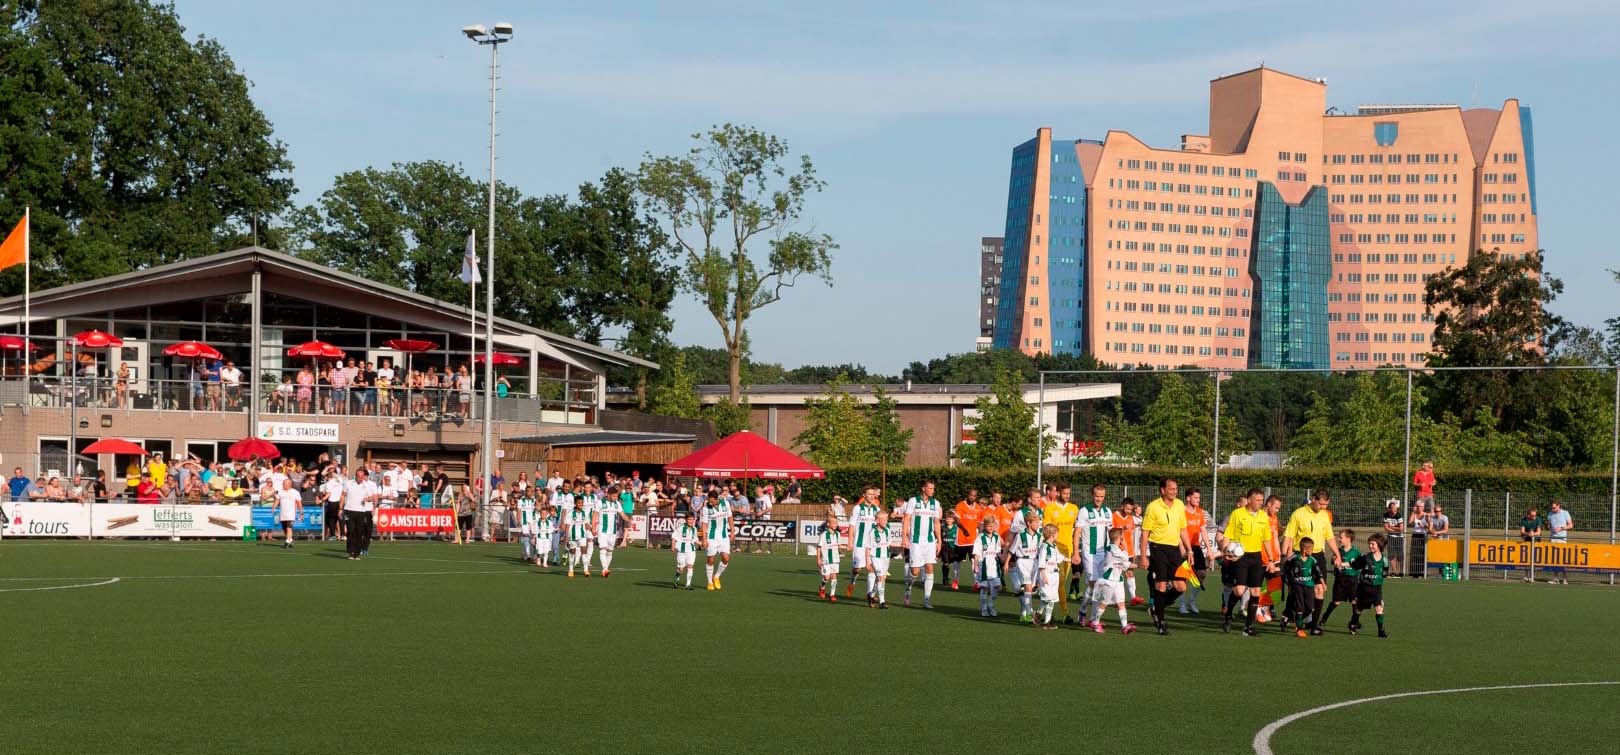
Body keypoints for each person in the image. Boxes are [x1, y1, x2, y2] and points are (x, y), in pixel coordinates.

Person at [1218, 488, 1276, 636]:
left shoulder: (1263, 516)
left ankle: (1248, 627)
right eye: (1258, 500)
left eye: (1262, 500)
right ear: (1249, 500)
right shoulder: (1237, 514)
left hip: (1256, 557)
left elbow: (1266, 539)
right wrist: (1225, 552)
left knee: (1255, 591)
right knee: (1239, 590)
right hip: (1240, 557)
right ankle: (1228, 615)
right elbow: (1228, 534)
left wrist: (1270, 559)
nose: (1260, 503)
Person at [1139, 478, 1191, 636]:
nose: (1174, 491)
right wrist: (1143, 556)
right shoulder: (1153, 507)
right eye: (1171, 489)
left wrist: (1189, 550)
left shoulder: (1180, 505)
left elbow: (1183, 529)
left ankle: (1156, 607)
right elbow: (1145, 533)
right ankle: (1161, 622)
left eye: (1176, 488)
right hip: (1158, 549)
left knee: (1181, 587)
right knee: (1161, 586)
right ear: (1162, 490)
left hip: (1174, 550)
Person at [1282, 489, 1337, 631]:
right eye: (1321, 504)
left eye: (1326, 505)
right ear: (1313, 499)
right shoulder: (1298, 513)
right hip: (1300, 556)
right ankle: (1288, 613)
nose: (1323, 508)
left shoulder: (1324, 515)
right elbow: (1288, 535)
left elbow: (1329, 537)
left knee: (1319, 590)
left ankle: (1313, 625)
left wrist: (1337, 554)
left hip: (1317, 556)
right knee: (1295, 590)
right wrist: (1284, 556)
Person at [897, 480, 943, 609]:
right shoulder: (913, 501)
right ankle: (908, 589)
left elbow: (936, 523)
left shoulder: (936, 503)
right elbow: (906, 519)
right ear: (923, 489)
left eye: (933, 488)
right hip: (916, 541)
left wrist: (939, 540)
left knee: (929, 568)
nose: (932, 490)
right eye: (930, 488)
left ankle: (927, 599)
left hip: (929, 541)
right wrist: (904, 536)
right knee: (915, 571)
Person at [1041, 483, 1080, 623]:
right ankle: (1062, 614)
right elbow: (1046, 529)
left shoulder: (1074, 509)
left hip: (1068, 551)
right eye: (1064, 493)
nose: (1067, 496)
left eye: (1069, 493)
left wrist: (1076, 551)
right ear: (1057, 493)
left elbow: (1077, 530)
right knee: (1056, 583)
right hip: (1053, 551)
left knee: (1060, 583)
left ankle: (1047, 613)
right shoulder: (1049, 508)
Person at [1087, 527, 1137, 635]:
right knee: (1104, 603)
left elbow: (1125, 562)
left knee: (1121, 603)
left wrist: (1124, 549)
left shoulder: (1118, 549)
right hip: (1108, 580)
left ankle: (1124, 626)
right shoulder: (1111, 548)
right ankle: (1095, 623)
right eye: (1122, 536)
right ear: (1119, 537)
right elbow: (1126, 561)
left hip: (1117, 580)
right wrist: (1141, 565)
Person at [1074, 484, 1113, 623]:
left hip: (1104, 554)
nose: (1099, 499)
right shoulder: (1084, 511)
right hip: (1089, 553)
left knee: (1100, 585)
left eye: (1102, 496)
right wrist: (1075, 553)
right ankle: (1084, 612)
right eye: (1097, 496)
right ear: (1092, 495)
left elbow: (1111, 532)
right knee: (1094, 583)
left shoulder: (1107, 511)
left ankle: (1093, 617)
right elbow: (1077, 532)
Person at [1282, 537, 1326, 637]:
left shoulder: (1312, 560)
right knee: (1300, 608)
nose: (1312, 551)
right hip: (1298, 587)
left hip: (1309, 586)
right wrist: (1289, 583)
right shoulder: (1294, 559)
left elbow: (1318, 572)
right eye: (1311, 549)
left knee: (1310, 608)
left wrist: (1322, 583)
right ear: (1305, 550)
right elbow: (1286, 570)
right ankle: (1299, 629)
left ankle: (1290, 619)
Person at [1349, 533, 1391, 637]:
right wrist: (1345, 563)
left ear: (1379, 545)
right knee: (1359, 609)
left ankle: (1381, 631)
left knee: (1379, 608)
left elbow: (1384, 574)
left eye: (1373, 544)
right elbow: (1355, 566)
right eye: (1370, 544)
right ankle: (1353, 623)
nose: (1370, 546)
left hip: (1376, 589)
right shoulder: (1366, 557)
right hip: (1364, 588)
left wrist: (1379, 576)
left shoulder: (1385, 560)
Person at [1177, 488, 1210, 615]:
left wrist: (1209, 549)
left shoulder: (1200, 512)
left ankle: (1191, 601)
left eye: (1199, 498)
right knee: (1183, 576)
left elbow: (1203, 531)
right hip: (1183, 547)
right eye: (1196, 497)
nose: (1198, 500)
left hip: (1196, 547)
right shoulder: (1182, 512)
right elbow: (1179, 531)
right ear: (1188, 498)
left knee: (1201, 574)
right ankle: (1182, 605)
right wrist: (1182, 548)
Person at [1320, 529, 1361, 629]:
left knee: (1355, 602)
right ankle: (1324, 619)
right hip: (1340, 580)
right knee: (1336, 602)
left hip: (1352, 580)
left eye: (1341, 537)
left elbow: (1359, 565)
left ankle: (1354, 623)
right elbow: (1333, 561)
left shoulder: (1356, 552)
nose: (1338, 539)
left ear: (1348, 539)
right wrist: (1334, 560)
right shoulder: (1338, 551)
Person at [847, 486, 883, 597]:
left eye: (873, 494)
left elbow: (880, 526)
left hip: (872, 544)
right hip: (860, 543)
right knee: (857, 569)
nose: (872, 496)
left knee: (872, 569)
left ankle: (870, 594)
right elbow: (852, 525)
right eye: (869, 494)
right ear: (864, 495)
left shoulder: (877, 509)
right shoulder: (857, 508)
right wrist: (850, 542)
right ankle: (852, 583)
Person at [1008, 511, 1043, 623]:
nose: (1038, 525)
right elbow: (1012, 549)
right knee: (1028, 587)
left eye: (1039, 522)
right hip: (1022, 562)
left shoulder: (1039, 536)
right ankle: (1029, 613)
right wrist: (1006, 562)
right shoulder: (1020, 535)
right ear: (1028, 523)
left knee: (1030, 590)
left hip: (1034, 562)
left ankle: (1024, 613)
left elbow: (1042, 550)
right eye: (1036, 523)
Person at [951, 489, 988, 590]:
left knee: (974, 560)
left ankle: (976, 583)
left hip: (973, 540)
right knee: (957, 562)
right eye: (971, 495)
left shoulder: (978, 508)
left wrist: (980, 534)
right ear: (968, 495)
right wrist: (964, 530)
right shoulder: (960, 505)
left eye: (975, 496)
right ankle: (955, 581)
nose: (972, 497)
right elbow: (957, 520)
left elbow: (980, 523)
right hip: (961, 540)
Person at [699, 489, 734, 591]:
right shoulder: (706, 508)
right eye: (709, 501)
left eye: (712, 501)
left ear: (716, 499)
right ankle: (710, 582)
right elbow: (704, 524)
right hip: (711, 536)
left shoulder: (725, 503)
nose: (710, 503)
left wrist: (732, 532)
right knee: (711, 559)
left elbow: (730, 518)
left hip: (723, 536)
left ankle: (716, 576)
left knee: (726, 558)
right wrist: (704, 539)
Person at [341, 468, 379, 560]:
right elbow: (343, 495)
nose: (361, 478)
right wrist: (340, 508)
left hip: (361, 512)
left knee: (359, 532)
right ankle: (351, 552)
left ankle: (357, 553)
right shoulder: (348, 483)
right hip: (349, 510)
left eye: (362, 477)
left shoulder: (366, 485)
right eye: (359, 477)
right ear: (356, 476)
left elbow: (372, 497)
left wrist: (367, 499)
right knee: (350, 531)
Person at [1112, 498, 1144, 606]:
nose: (1129, 511)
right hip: (1118, 551)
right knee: (1116, 574)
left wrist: (1133, 551)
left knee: (1130, 572)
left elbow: (1131, 535)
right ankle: (1112, 598)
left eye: (1130, 509)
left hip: (1129, 551)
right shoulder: (1114, 516)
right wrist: (1122, 528)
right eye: (1127, 509)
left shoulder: (1131, 518)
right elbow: (1111, 533)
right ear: (1122, 506)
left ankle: (1133, 597)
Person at [1033, 525, 1064, 629]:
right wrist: (1044, 576)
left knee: (1049, 598)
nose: (1058, 535)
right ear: (1052, 535)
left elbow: (1059, 558)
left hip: (1055, 575)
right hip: (1047, 575)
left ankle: (1037, 614)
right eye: (1057, 533)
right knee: (1050, 599)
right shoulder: (1044, 547)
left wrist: (1071, 559)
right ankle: (1047, 622)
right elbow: (1041, 562)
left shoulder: (1053, 546)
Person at [971, 516, 1002, 617]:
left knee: (997, 586)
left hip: (994, 565)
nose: (991, 528)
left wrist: (1003, 559)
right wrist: (975, 565)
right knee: (984, 588)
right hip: (983, 565)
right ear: (985, 526)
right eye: (989, 526)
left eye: (992, 526)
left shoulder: (996, 536)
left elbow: (998, 552)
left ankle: (991, 605)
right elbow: (976, 553)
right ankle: (983, 608)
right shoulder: (980, 537)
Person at [594, 489, 626, 578]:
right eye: (614, 496)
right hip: (602, 530)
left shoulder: (617, 503)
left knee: (610, 551)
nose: (616, 498)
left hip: (612, 531)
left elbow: (622, 514)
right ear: (608, 495)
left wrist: (629, 520)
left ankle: (606, 569)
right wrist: (593, 527)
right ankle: (604, 568)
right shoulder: (600, 502)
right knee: (603, 549)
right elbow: (595, 515)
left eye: (617, 496)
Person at [867, 510, 893, 609]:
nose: (886, 522)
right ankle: (882, 602)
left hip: (885, 557)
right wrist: (867, 561)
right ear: (877, 521)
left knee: (882, 579)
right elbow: (868, 548)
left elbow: (888, 544)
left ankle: (871, 595)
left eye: (887, 520)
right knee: (881, 578)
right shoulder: (872, 532)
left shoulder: (887, 530)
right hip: (875, 557)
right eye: (884, 520)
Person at [816, 511, 842, 602]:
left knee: (834, 576)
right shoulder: (823, 535)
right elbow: (819, 547)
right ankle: (822, 587)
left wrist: (844, 548)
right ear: (828, 524)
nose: (835, 525)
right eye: (834, 523)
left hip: (835, 559)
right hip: (826, 559)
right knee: (827, 577)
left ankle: (832, 595)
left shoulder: (838, 534)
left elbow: (838, 545)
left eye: (836, 523)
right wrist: (818, 559)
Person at [1546, 501, 1573, 585]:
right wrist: (1548, 525)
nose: (1552, 509)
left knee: (1562, 560)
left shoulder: (1565, 513)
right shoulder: (1550, 514)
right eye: (1552, 507)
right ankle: (1556, 578)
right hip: (1553, 539)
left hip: (1562, 539)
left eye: (1554, 507)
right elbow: (1548, 524)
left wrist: (1561, 528)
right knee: (1554, 560)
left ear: (1559, 506)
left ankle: (1565, 579)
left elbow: (1571, 525)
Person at [1518, 506, 1545, 583]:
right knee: (1526, 559)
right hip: (1527, 542)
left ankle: (1532, 576)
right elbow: (1522, 531)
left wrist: (1533, 534)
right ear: (1528, 515)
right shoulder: (1524, 520)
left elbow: (1539, 532)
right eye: (1533, 516)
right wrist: (1528, 533)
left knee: (1534, 559)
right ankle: (1526, 576)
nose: (1534, 517)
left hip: (1536, 542)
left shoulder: (1538, 519)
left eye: (1535, 515)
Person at [565, 501, 592, 578]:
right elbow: (567, 525)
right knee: (572, 552)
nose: (580, 504)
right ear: (575, 504)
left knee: (584, 551)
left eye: (581, 503)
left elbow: (587, 523)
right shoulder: (570, 513)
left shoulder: (585, 513)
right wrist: (566, 537)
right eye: (579, 503)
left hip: (582, 535)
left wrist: (590, 528)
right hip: (572, 536)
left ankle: (586, 570)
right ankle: (570, 570)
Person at [274, 478, 302, 549]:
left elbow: (299, 503)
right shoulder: (280, 492)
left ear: (289, 484)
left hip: (291, 514)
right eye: (283, 484)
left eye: (284, 484)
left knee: (289, 527)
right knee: (284, 528)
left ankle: (286, 542)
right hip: (283, 513)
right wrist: (274, 507)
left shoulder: (295, 492)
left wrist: (301, 513)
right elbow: (277, 500)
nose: (283, 485)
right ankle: (290, 540)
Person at [1380, 499, 1405, 576]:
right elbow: (1386, 527)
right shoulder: (1386, 515)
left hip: (1399, 537)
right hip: (1390, 537)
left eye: (1395, 508)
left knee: (1400, 555)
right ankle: (1394, 571)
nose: (1394, 510)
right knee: (1391, 555)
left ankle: (1401, 571)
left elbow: (1401, 528)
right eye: (1392, 508)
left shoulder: (1399, 515)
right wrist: (1393, 530)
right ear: (1389, 508)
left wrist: (1392, 527)